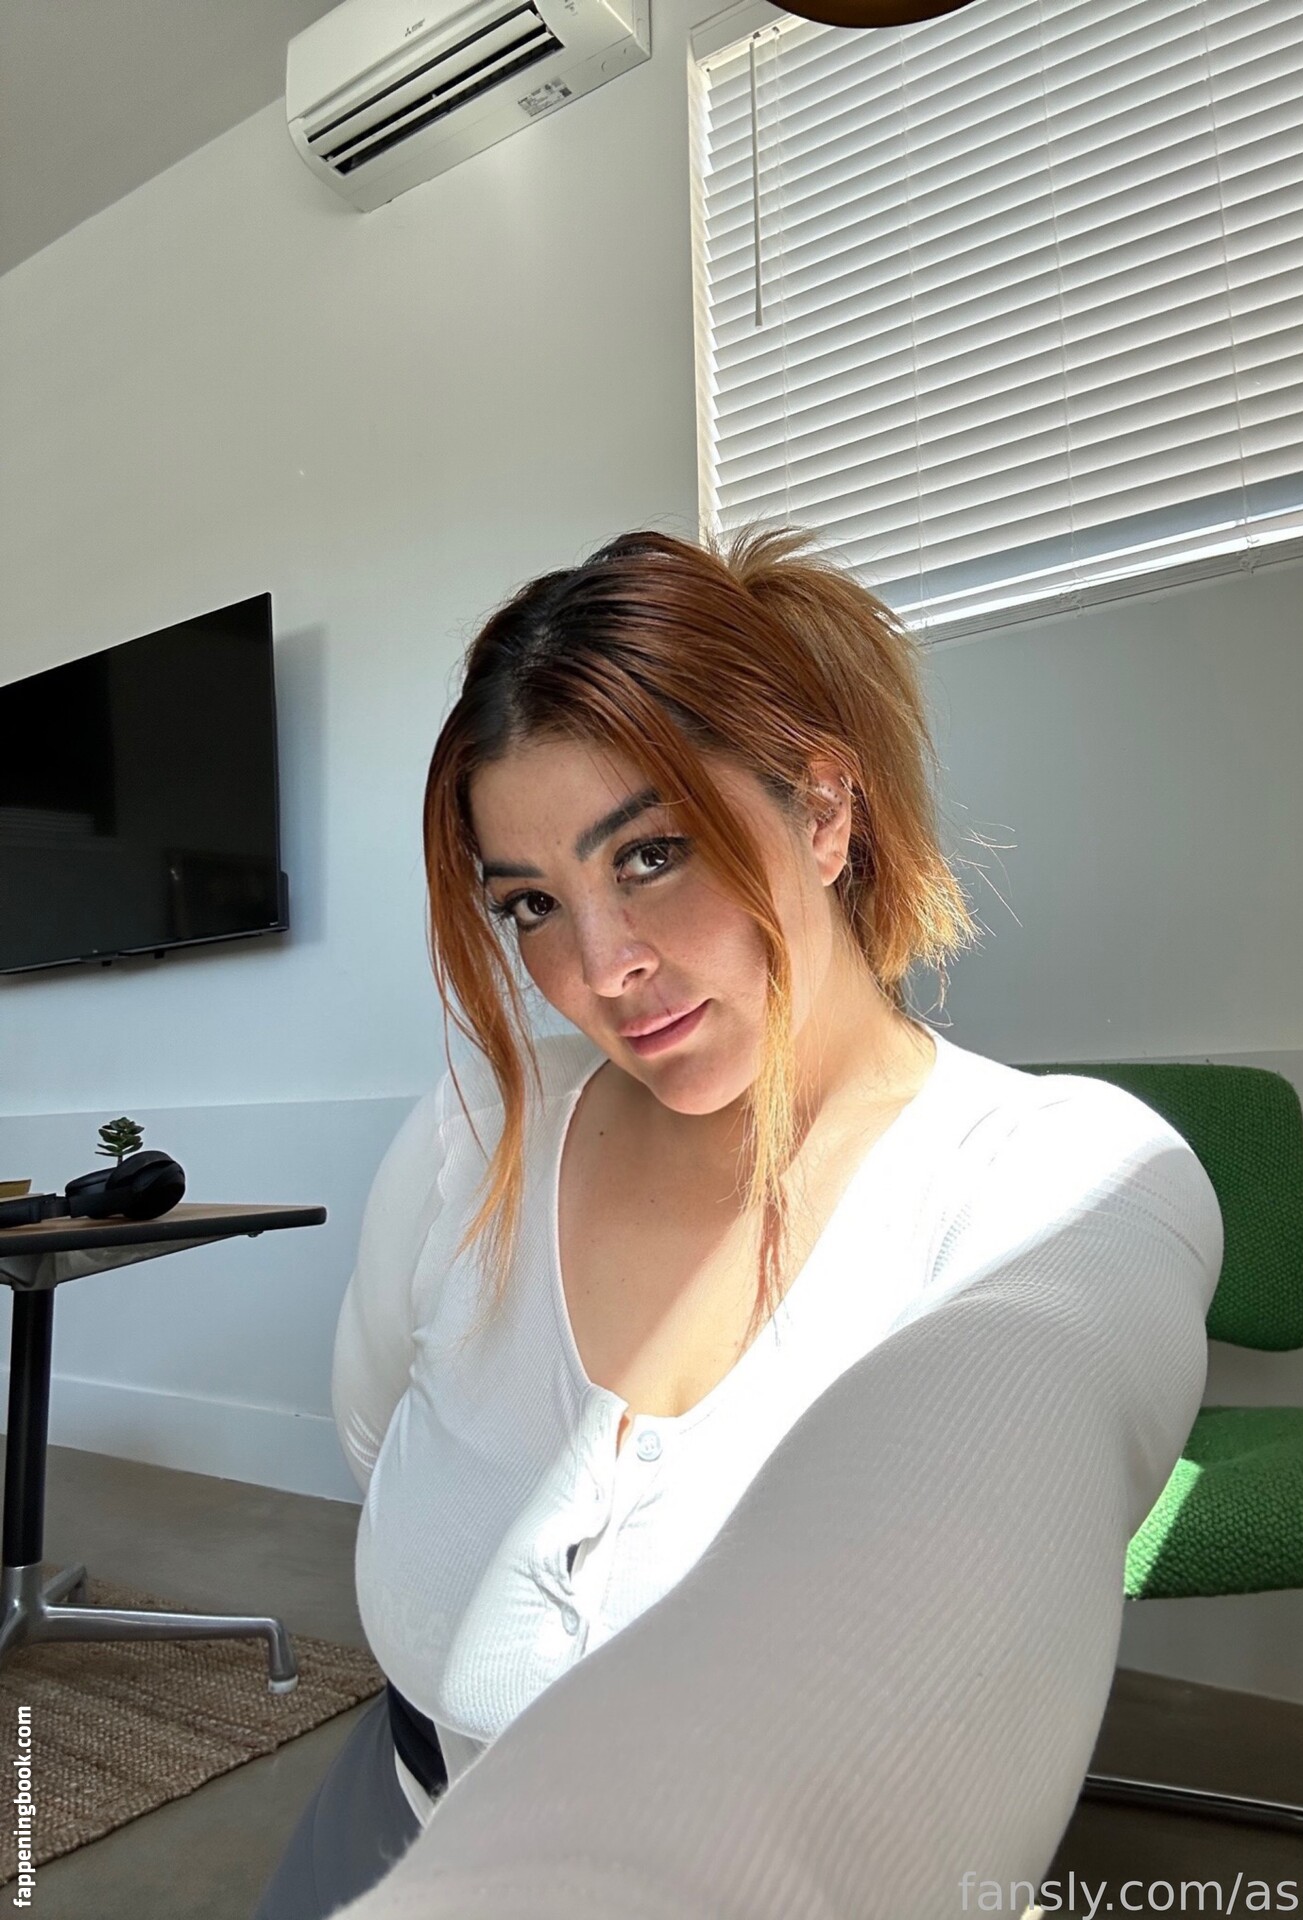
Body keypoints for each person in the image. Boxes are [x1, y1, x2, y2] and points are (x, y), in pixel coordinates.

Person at [253, 523, 1223, 1920]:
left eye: (650, 855)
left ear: (824, 811)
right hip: (377, 1820)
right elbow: (377, 1436)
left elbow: (942, 1592)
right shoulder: (478, 1135)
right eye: (532, 904)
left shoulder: (1062, 1177)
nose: (601, 969)